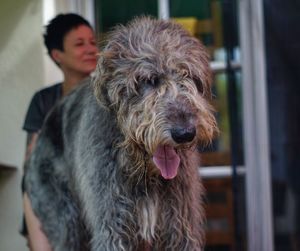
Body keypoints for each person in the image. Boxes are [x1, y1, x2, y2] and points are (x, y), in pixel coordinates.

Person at [21, 13, 98, 250]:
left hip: (95, 190)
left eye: (93, 42)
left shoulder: (106, 96)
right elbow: (32, 160)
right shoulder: (44, 100)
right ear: (57, 55)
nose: (90, 49)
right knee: (31, 187)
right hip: (58, 187)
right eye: (79, 44)